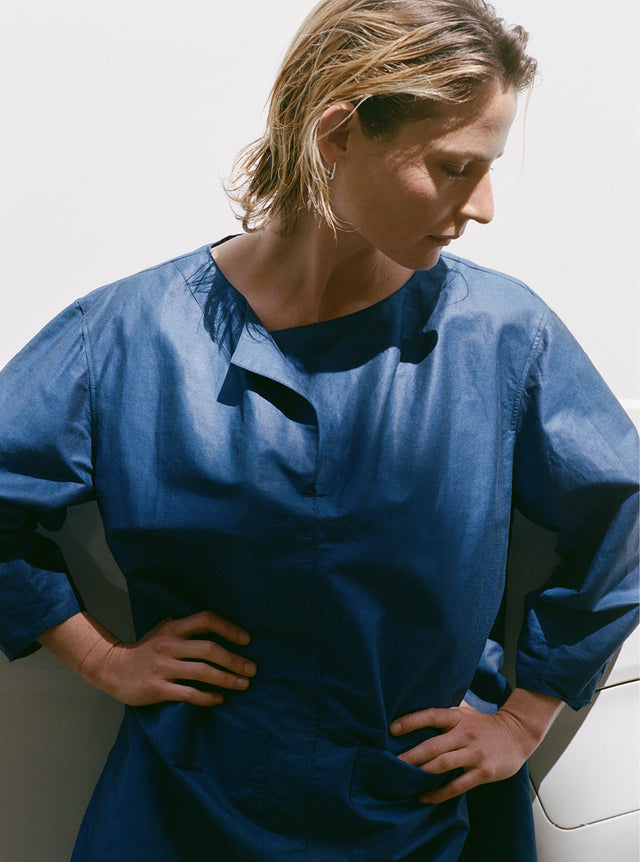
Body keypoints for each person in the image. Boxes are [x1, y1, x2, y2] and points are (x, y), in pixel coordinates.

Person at [0, 0, 637, 859]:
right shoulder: (128, 334)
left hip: (423, 817)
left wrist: (525, 718)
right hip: (182, 811)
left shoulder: (501, 334)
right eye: (454, 166)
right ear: (338, 134)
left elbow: (624, 511)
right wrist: (100, 658)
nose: (484, 206)